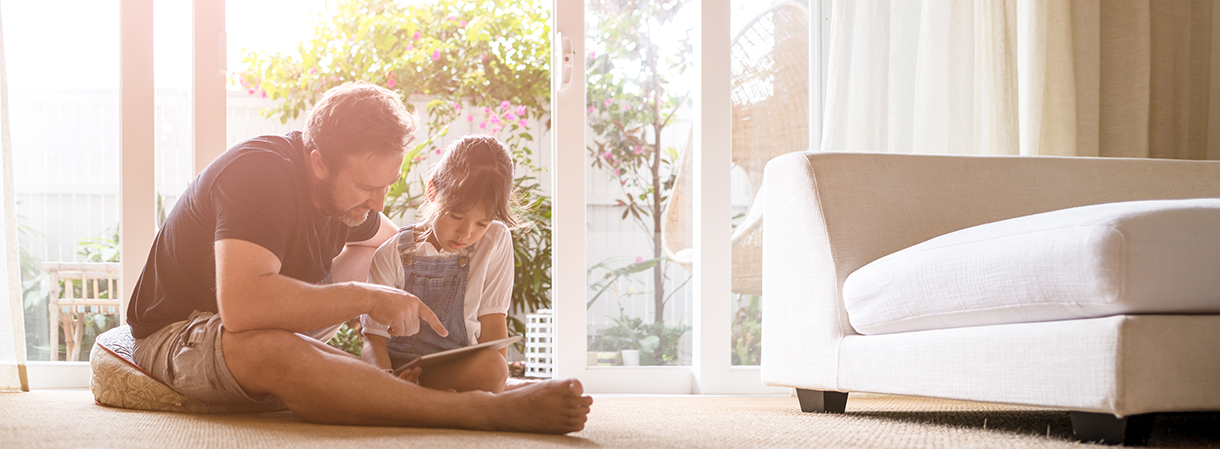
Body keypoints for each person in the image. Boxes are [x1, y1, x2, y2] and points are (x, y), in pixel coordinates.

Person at [125, 82, 591, 433]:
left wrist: (405, 294)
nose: (377, 201)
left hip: (251, 321)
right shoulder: (260, 172)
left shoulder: (342, 203)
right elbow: (244, 308)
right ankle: (479, 412)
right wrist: (365, 298)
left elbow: (387, 245)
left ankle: (398, 384)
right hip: (181, 329)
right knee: (277, 348)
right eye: (367, 187)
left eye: (386, 185)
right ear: (319, 161)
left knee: (356, 275)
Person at [360, 135, 520, 393]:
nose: (466, 233)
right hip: (401, 372)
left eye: (482, 223)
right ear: (433, 192)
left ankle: (428, 399)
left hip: (456, 371)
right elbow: (374, 340)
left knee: (494, 368)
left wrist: (496, 385)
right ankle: (421, 398)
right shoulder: (390, 254)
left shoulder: (496, 239)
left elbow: (493, 324)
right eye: (456, 216)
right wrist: (386, 381)